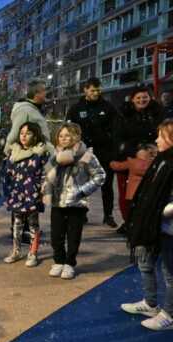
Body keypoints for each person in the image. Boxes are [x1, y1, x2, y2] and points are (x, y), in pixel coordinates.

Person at [122, 119, 173, 331]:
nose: (156, 140)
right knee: (146, 262)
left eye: (161, 136)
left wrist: (159, 211)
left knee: (170, 272)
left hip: (167, 227)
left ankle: (169, 314)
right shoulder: (161, 159)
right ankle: (151, 303)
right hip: (153, 225)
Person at [44, 123, 105, 280]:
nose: (64, 139)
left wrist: (82, 190)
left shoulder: (86, 156)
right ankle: (58, 261)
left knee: (73, 235)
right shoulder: (55, 156)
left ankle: (69, 263)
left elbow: (100, 175)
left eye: (67, 135)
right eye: (61, 136)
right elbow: (48, 175)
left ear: (76, 136)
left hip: (76, 203)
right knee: (56, 235)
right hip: (58, 201)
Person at [66, 77, 121, 228]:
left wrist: (113, 147)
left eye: (98, 90)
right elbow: (69, 130)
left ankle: (108, 215)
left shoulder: (109, 107)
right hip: (83, 152)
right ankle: (82, 213)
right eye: (92, 90)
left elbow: (116, 129)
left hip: (104, 151)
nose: (96, 93)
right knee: (82, 183)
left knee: (107, 183)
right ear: (85, 90)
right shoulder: (76, 108)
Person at [3, 122, 50, 267]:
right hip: (17, 194)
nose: (24, 136)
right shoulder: (14, 153)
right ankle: (16, 251)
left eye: (28, 133)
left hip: (32, 194)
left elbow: (44, 174)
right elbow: (7, 174)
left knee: (33, 225)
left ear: (35, 135)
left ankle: (33, 253)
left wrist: (43, 191)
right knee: (17, 225)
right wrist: (8, 192)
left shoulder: (40, 153)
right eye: (22, 133)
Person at [117, 86, 165, 227]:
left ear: (150, 98)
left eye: (145, 97)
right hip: (127, 158)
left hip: (151, 159)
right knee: (127, 194)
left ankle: (144, 222)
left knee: (148, 192)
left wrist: (155, 148)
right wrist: (135, 151)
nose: (142, 100)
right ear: (132, 99)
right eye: (138, 97)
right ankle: (129, 222)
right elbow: (118, 138)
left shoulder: (157, 113)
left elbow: (163, 134)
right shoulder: (123, 114)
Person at [110, 144, 157, 233]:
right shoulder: (153, 164)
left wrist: (111, 162)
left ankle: (130, 226)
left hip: (132, 193)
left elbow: (118, 166)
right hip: (145, 192)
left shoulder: (132, 162)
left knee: (132, 211)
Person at [4, 78, 53, 155]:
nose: (46, 93)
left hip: (39, 155)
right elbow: (14, 134)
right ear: (36, 94)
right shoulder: (25, 110)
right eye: (44, 90)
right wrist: (8, 153)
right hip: (32, 157)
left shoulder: (33, 109)